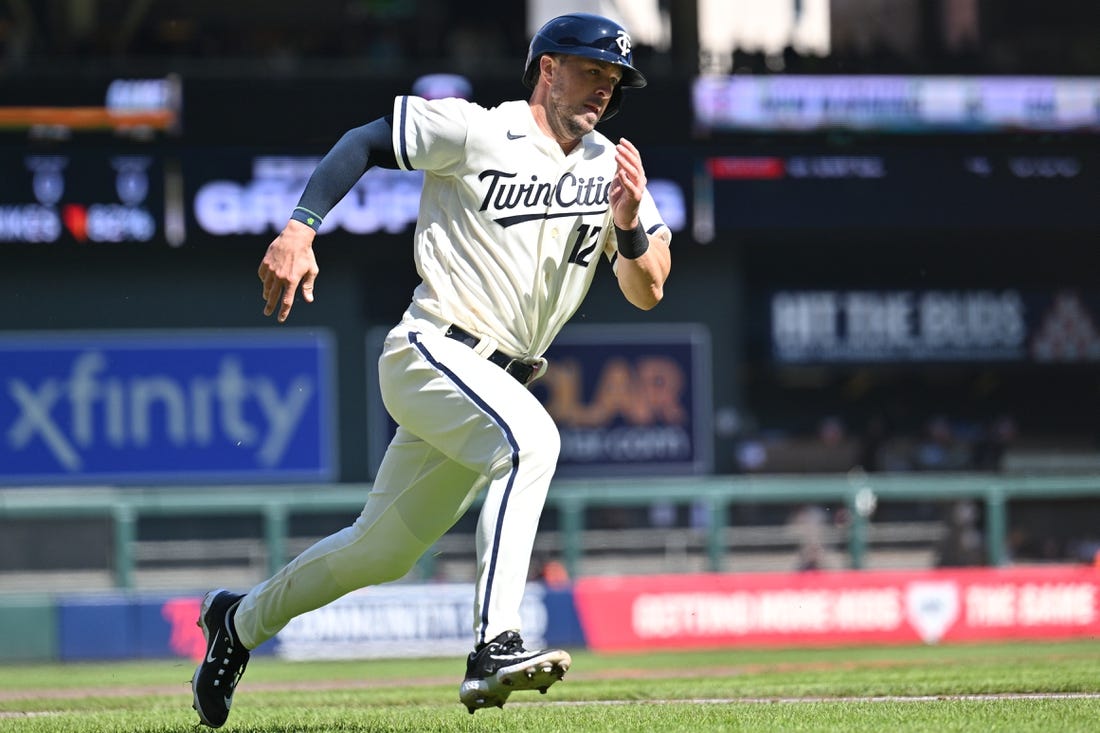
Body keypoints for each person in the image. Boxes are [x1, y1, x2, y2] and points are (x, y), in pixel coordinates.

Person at [190, 12, 671, 728]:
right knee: (532, 443)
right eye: (591, 70)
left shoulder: (612, 166)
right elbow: (364, 141)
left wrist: (629, 222)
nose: (604, 88)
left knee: (378, 550)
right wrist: (299, 226)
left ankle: (237, 621)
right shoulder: (480, 129)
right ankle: (493, 644)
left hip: (498, 381)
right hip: (431, 348)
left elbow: (649, 287)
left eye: (614, 78)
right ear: (547, 69)